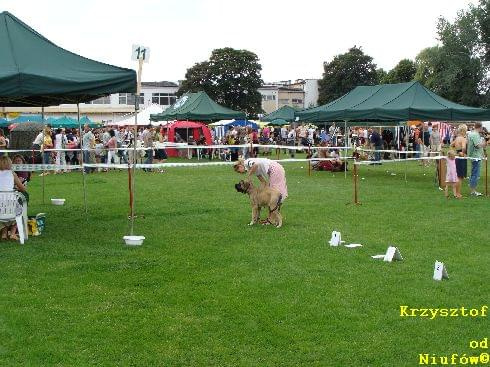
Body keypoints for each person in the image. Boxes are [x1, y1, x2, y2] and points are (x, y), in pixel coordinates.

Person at [0, 156, 26, 240]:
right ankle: (12, 233)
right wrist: (14, 188)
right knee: (20, 212)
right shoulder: (12, 173)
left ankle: (4, 234)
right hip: (11, 203)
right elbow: (22, 188)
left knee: (2, 214)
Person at [466, 122, 487, 196]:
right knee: (475, 174)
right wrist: (485, 143)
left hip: (475, 156)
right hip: (475, 157)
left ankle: (472, 189)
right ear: (480, 127)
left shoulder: (472, 134)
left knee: (474, 173)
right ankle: (473, 191)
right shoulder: (475, 134)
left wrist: (483, 154)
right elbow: (477, 146)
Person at [450, 124, 467, 197]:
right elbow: (463, 147)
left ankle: (456, 193)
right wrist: (463, 153)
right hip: (461, 158)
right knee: (460, 176)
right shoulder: (463, 138)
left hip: (457, 157)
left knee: (458, 176)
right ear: (463, 130)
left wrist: (454, 152)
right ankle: (458, 193)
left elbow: (451, 145)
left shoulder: (457, 138)